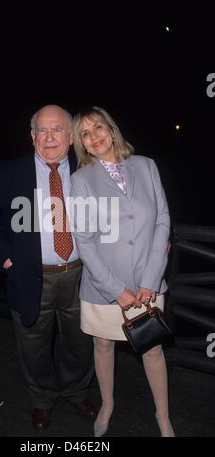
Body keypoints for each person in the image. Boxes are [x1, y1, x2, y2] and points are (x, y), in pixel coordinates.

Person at [0, 105, 95, 431]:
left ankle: (77, 390)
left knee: (81, 341)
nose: (50, 136)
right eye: (42, 129)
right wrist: (5, 256)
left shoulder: (89, 169)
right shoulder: (10, 172)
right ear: (32, 136)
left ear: (70, 137)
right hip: (30, 276)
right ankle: (42, 400)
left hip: (82, 275)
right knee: (32, 345)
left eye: (57, 129)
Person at [70, 106, 174, 437]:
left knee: (153, 348)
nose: (94, 137)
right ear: (82, 144)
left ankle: (163, 415)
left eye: (98, 128)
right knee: (102, 346)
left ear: (111, 130)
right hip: (103, 287)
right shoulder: (80, 180)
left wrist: (150, 281)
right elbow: (84, 241)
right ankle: (107, 403)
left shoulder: (146, 166)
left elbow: (162, 221)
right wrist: (116, 289)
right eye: (85, 134)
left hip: (148, 282)